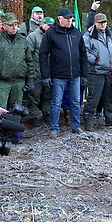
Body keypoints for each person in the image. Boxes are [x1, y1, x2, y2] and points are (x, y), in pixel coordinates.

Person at [39, 7, 88, 135]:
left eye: (70, 18)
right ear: (59, 18)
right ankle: (54, 128)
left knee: (76, 102)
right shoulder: (51, 33)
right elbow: (43, 54)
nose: (69, 20)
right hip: (58, 75)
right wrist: (46, 76)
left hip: (75, 75)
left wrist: (84, 74)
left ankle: (76, 126)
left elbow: (83, 55)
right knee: (56, 103)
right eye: (66, 18)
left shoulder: (77, 33)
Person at [83, 13, 112, 131]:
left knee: (109, 97)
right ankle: (89, 120)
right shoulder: (88, 36)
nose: (103, 24)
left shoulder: (111, 35)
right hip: (95, 72)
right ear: (95, 23)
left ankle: (110, 118)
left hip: (109, 71)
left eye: (104, 22)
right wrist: (95, 60)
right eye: (100, 22)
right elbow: (84, 52)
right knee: (93, 97)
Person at [0, 13, 35, 109]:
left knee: (17, 110)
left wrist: (30, 81)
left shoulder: (23, 41)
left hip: (19, 82)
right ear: (3, 25)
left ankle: (16, 124)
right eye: (10, 25)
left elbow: (29, 61)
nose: (14, 27)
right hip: (1, 81)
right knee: (0, 110)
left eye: (15, 25)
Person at [25, 17, 55, 127]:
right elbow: (28, 55)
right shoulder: (33, 36)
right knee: (34, 96)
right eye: (48, 25)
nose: (50, 27)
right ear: (43, 24)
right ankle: (33, 116)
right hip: (36, 71)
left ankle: (46, 113)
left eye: (52, 25)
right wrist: (30, 71)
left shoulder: (53, 36)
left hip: (50, 71)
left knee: (48, 94)